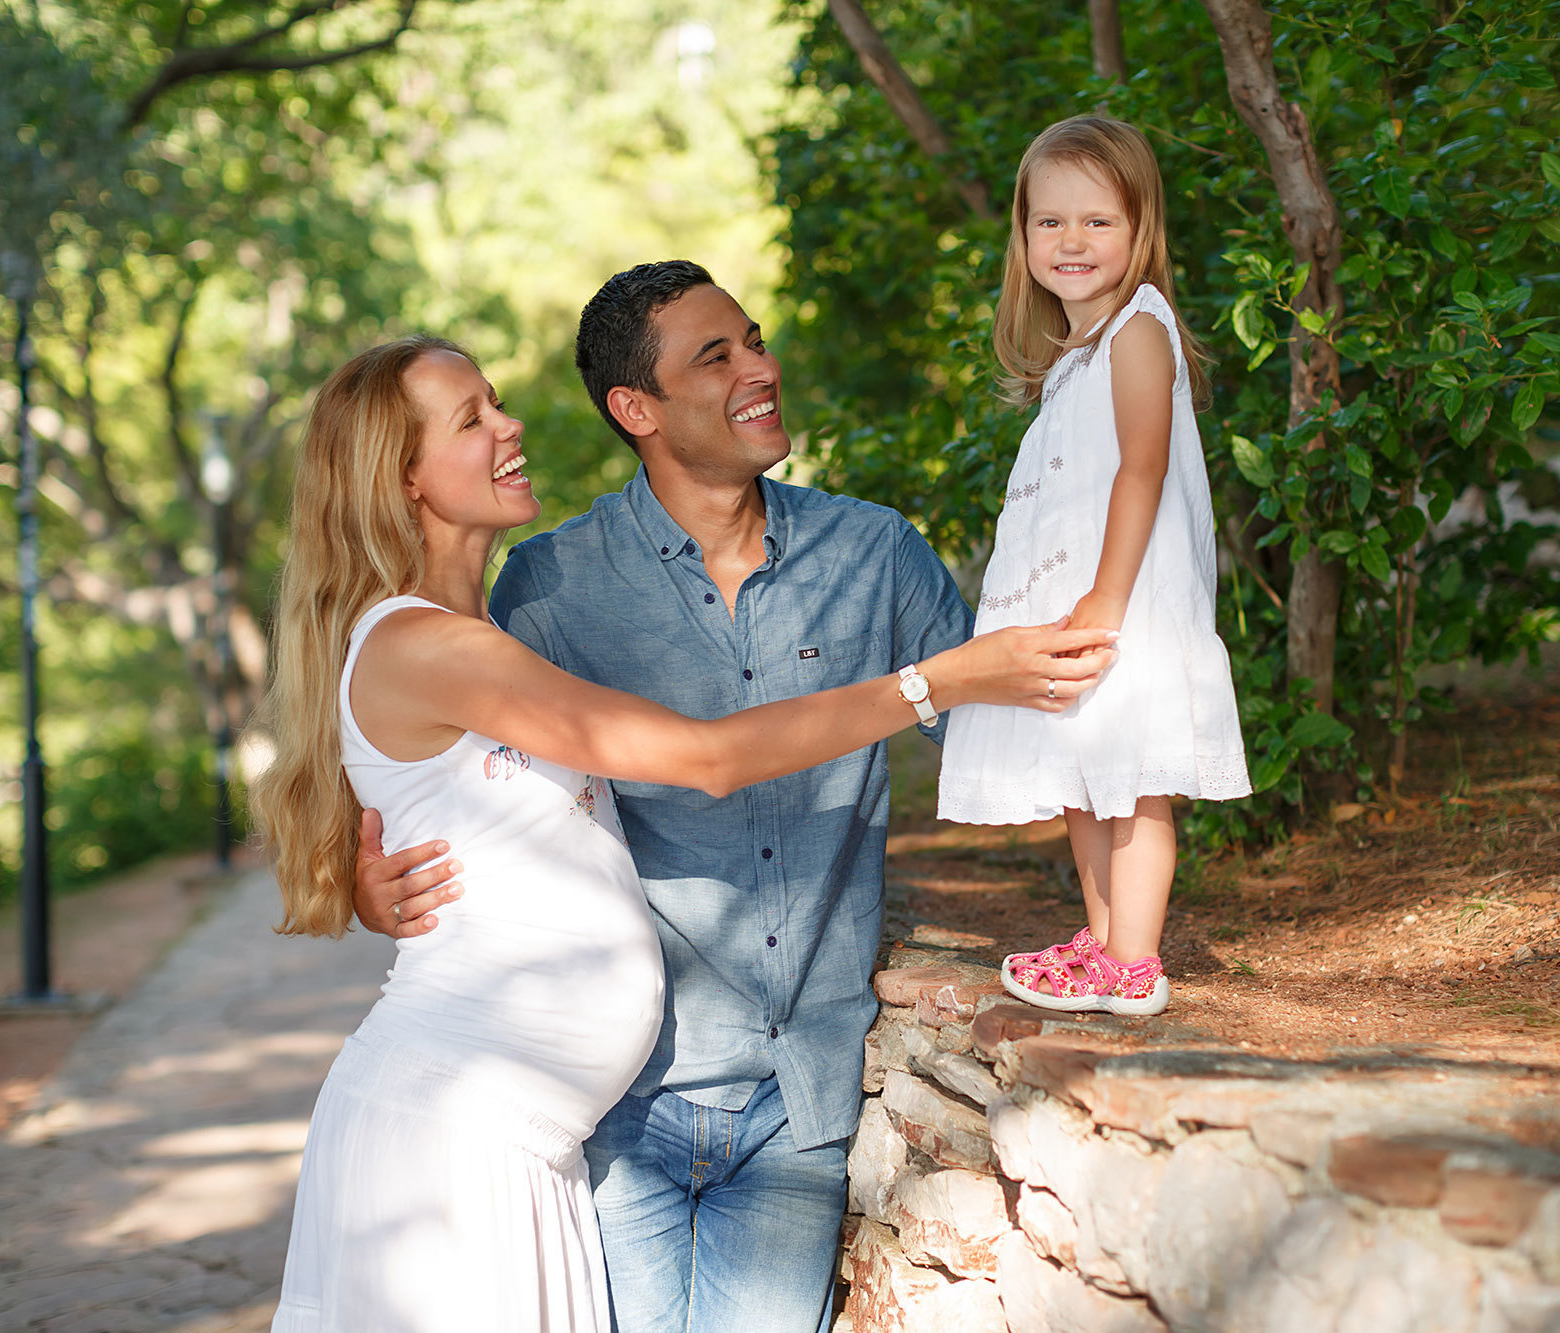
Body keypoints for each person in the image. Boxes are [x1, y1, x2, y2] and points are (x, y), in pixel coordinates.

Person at [253, 333, 1112, 1332]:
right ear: (402, 481)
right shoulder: (426, 645)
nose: (509, 423)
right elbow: (706, 758)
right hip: (456, 1142)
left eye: (496, 401)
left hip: (525, 1145)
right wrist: (939, 680)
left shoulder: (483, 628)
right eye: (472, 418)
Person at [938, 115, 1253, 1017]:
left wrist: (1107, 596)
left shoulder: (1138, 331)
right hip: (1071, 603)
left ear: (1139, 227)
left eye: (1097, 222)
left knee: (1135, 781)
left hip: (1127, 602)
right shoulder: (1072, 358)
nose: (1071, 241)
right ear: (1024, 235)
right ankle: (1106, 943)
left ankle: (1137, 957)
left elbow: (1142, 466)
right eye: (1051, 223)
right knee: (1082, 776)